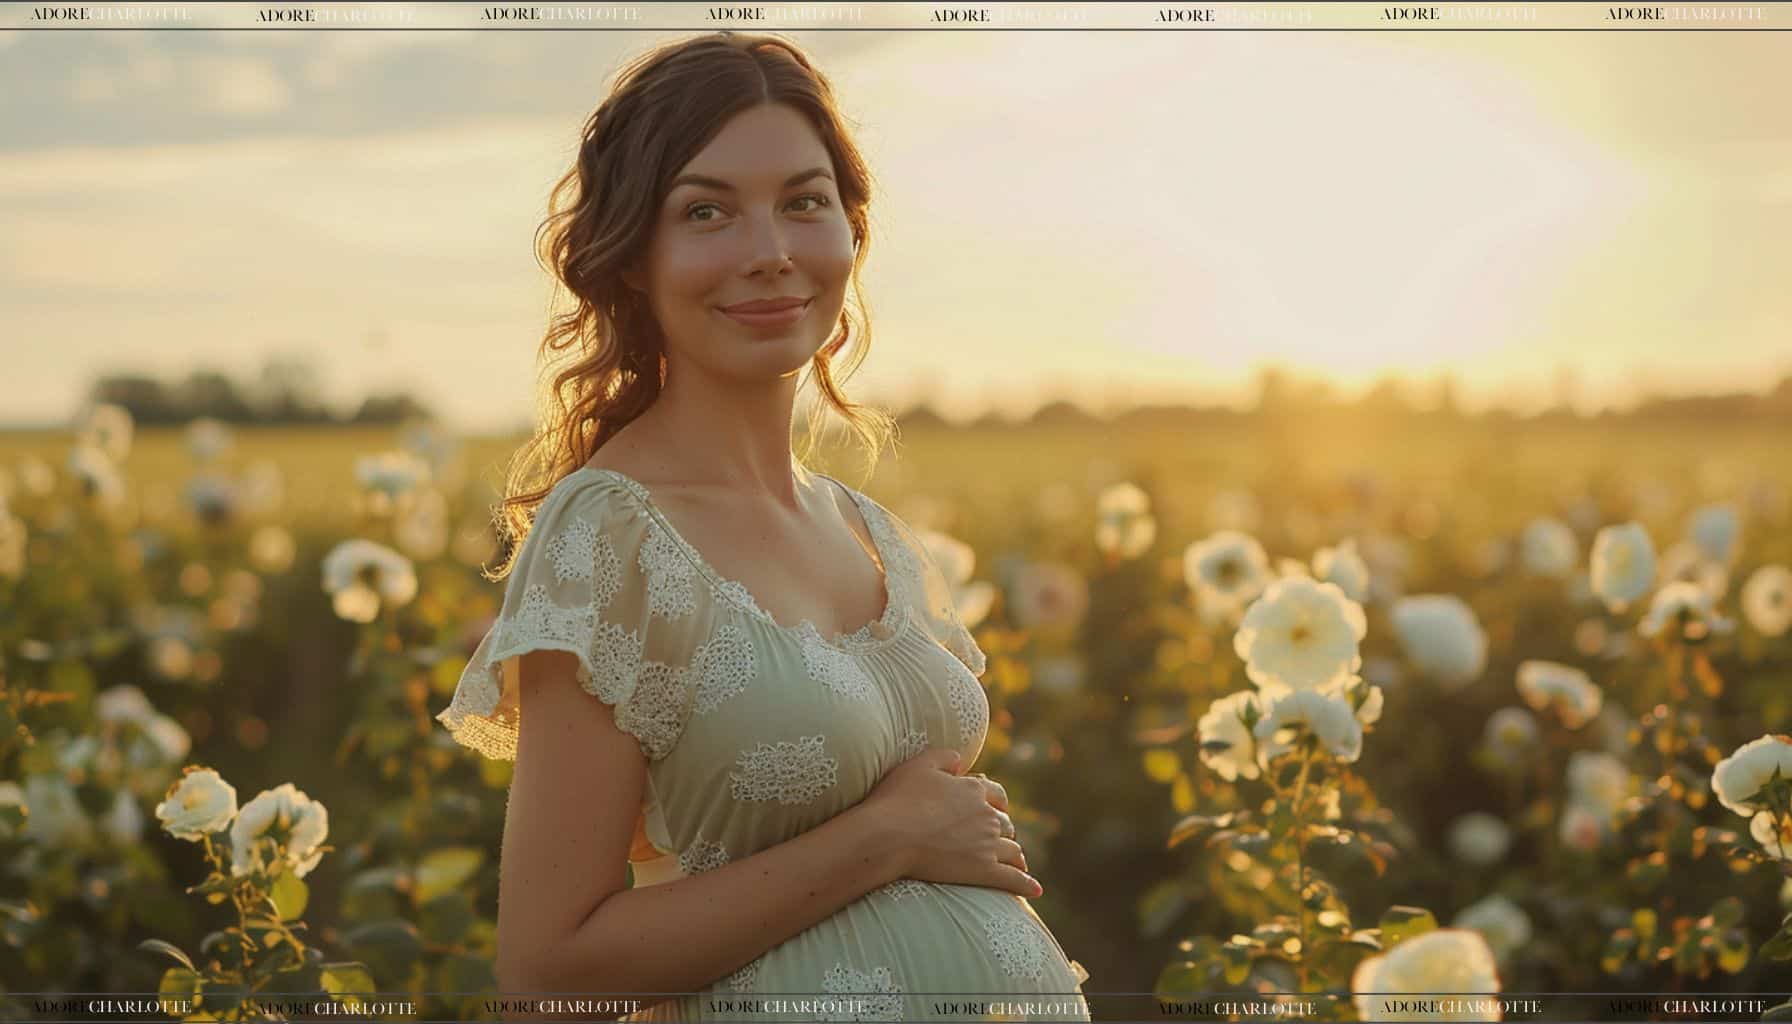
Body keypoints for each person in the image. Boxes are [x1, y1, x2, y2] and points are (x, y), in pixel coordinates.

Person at [435, 31, 1091, 1022]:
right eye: (707, 212)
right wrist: (889, 838)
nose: (771, 253)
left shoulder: (865, 526)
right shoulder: (610, 537)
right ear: (631, 258)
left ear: (849, 230)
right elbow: (549, 972)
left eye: (803, 201)